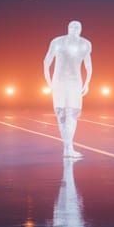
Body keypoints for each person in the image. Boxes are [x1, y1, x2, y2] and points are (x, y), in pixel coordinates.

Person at [43, 20, 93, 159]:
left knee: (72, 112)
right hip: (59, 81)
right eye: (72, 26)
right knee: (61, 113)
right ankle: (67, 147)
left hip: (75, 82)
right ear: (67, 28)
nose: (75, 28)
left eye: (78, 26)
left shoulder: (85, 44)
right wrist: (49, 82)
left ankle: (69, 147)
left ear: (81, 29)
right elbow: (46, 62)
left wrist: (87, 82)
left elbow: (88, 65)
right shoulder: (57, 42)